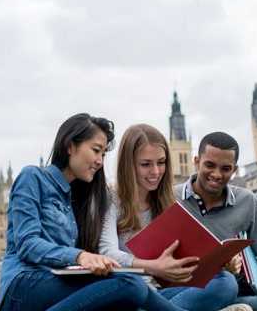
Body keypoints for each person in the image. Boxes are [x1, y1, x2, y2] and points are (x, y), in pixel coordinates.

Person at [0, 113, 187, 311]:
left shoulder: (79, 197)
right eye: (96, 151)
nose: (100, 161)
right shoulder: (33, 177)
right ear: (70, 146)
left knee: (126, 294)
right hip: (23, 286)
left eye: (104, 154)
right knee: (130, 284)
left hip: (57, 285)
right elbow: (27, 243)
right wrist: (80, 256)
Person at [99, 124, 241, 311]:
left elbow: (184, 257)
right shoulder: (111, 198)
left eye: (161, 162)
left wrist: (217, 262)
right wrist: (153, 267)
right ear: (129, 165)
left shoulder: (167, 200)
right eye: (146, 164)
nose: (156, 172)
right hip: (134, 294)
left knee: (226, 282)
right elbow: (106, 253)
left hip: (164, 292)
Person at [173, 132, 257, 311]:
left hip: (231, 288)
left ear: (234, 170)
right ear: (196, 162)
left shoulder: (247, 201)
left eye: (225, 168)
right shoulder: (169, 198)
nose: (217, 174)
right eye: (209, 165)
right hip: (182, 289)